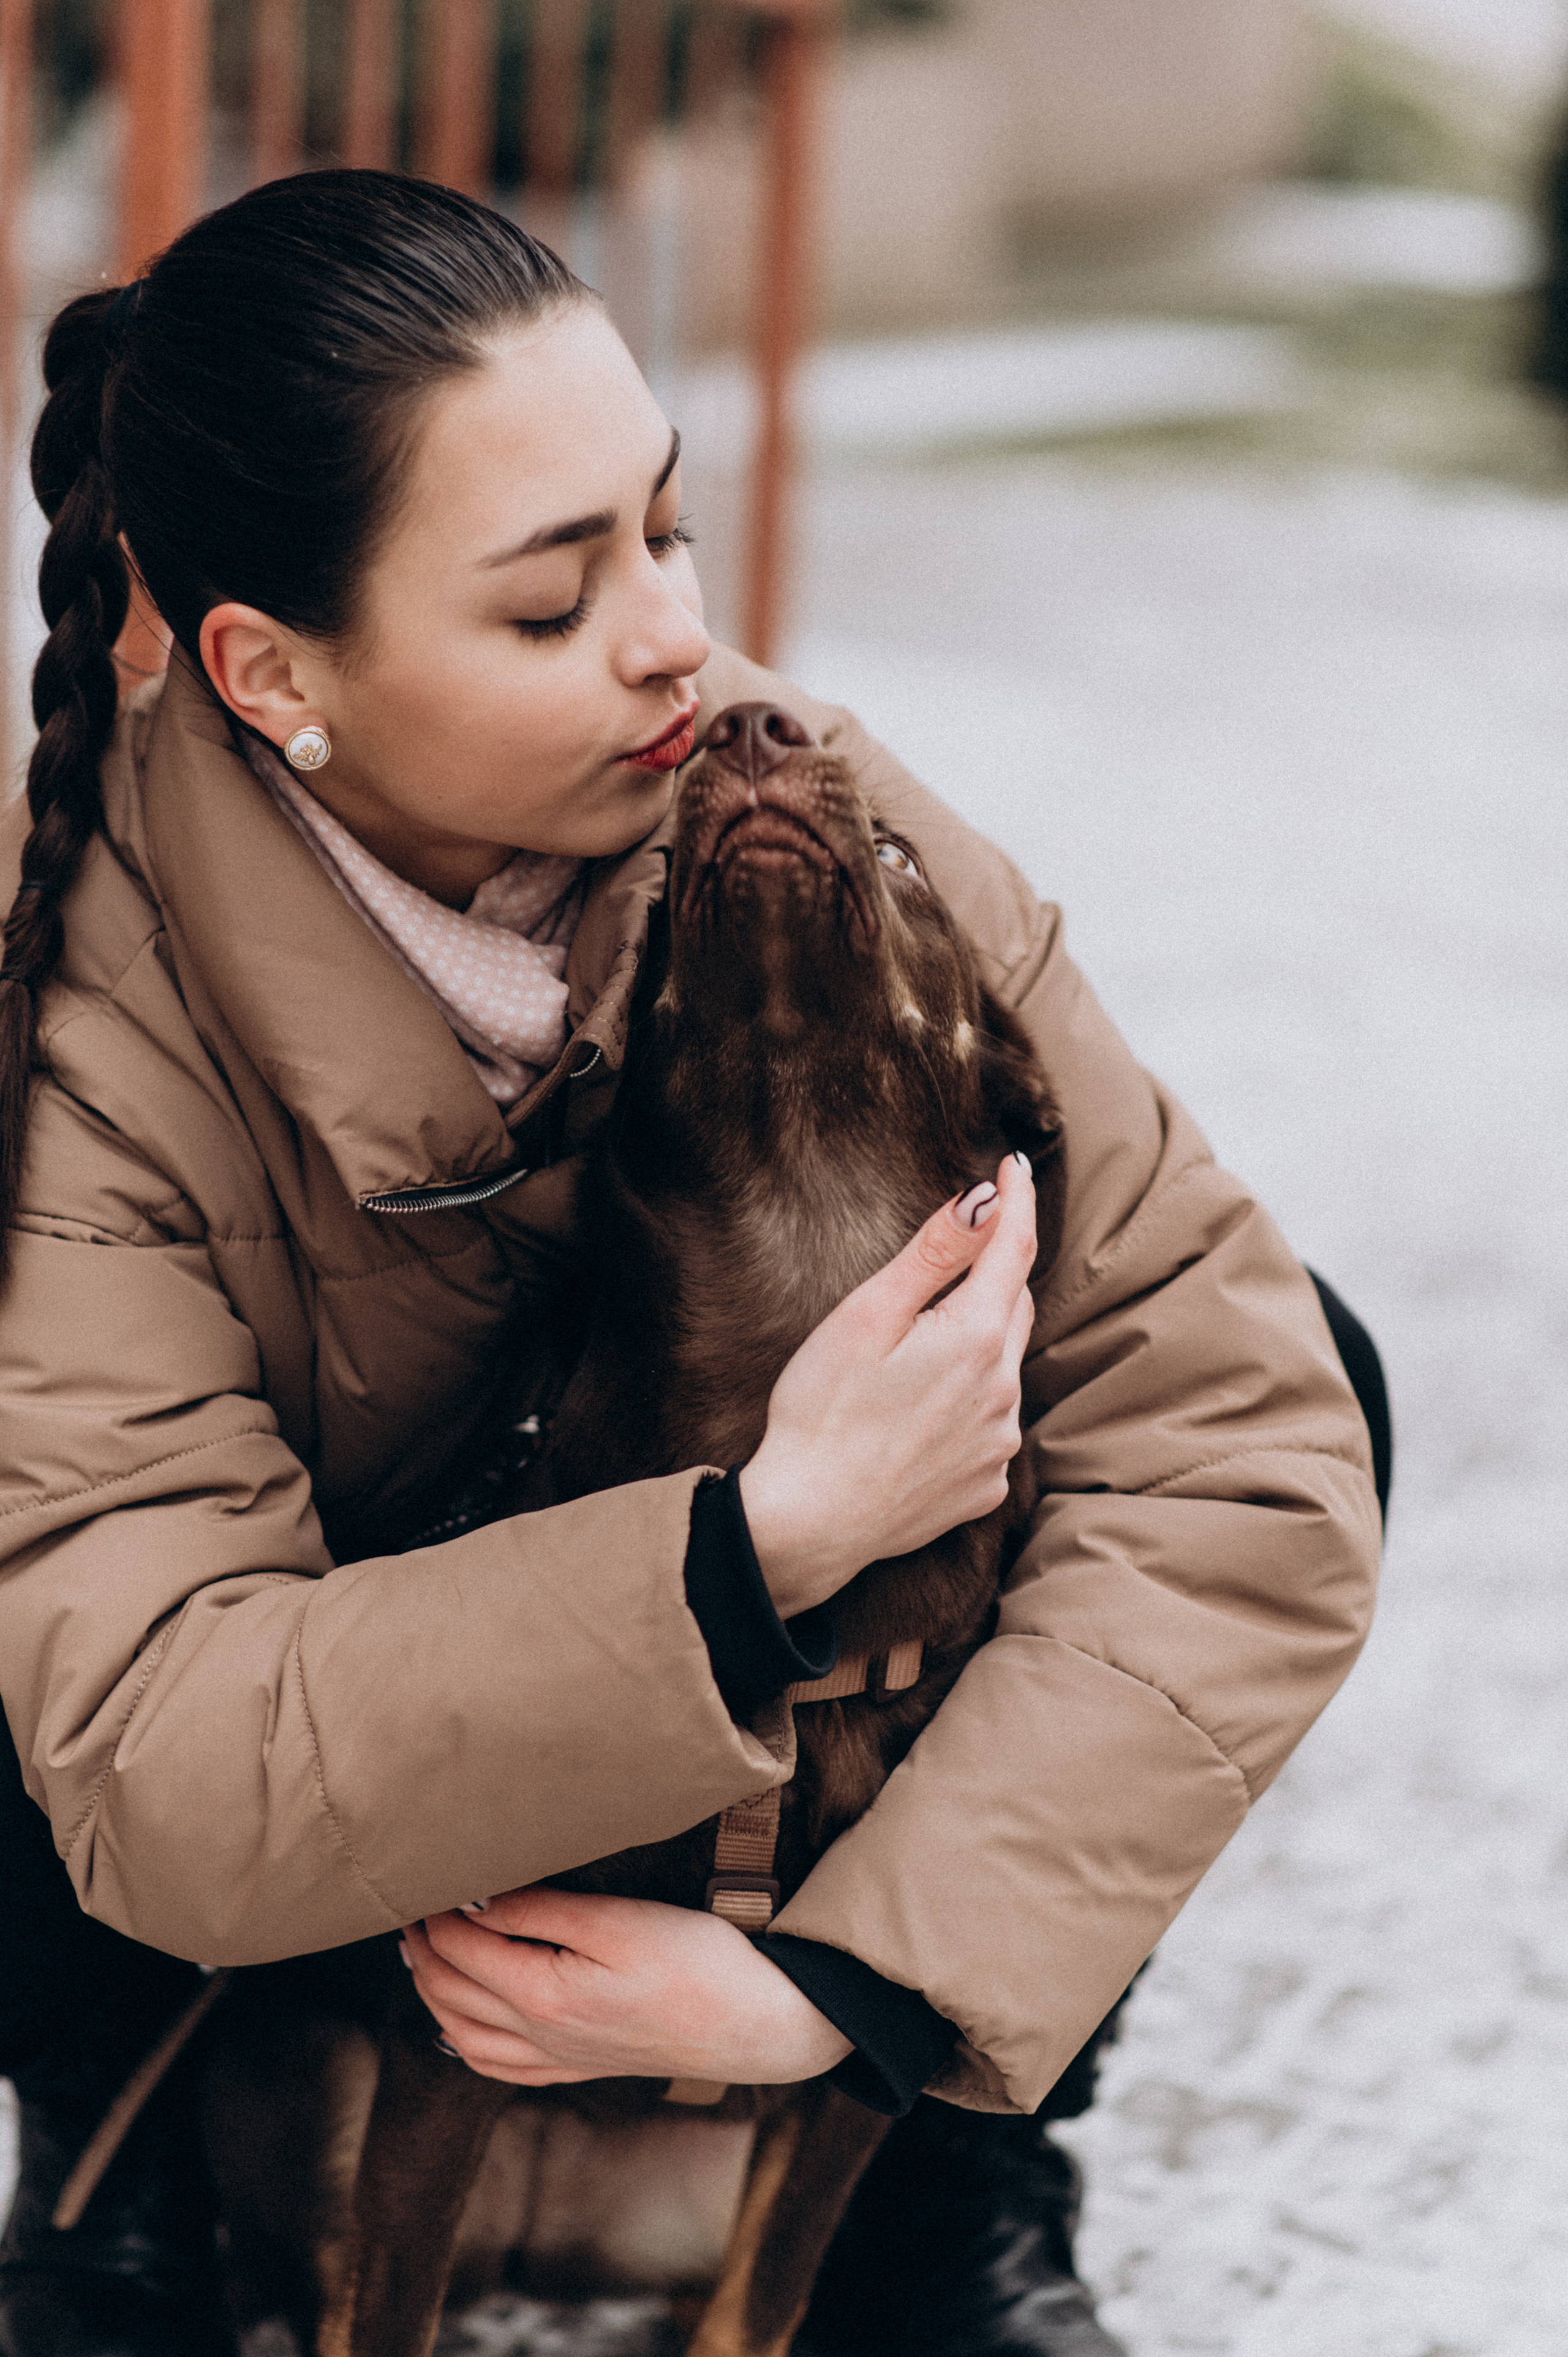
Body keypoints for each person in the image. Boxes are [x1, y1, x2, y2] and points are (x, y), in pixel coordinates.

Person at [0, 172, 1384, 2357]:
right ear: (276, 676)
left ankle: (945, 2183)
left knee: (1321, 1346)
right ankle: (116, 2184)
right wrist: (766, 1541)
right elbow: (160, 1741)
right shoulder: (74, 1011)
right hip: (307, 1715)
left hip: (633, 1702)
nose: (674, 642)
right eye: (551, 607)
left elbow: (1241, 1437)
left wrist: (848, 1984)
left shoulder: (781, 790)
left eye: (663, 529)